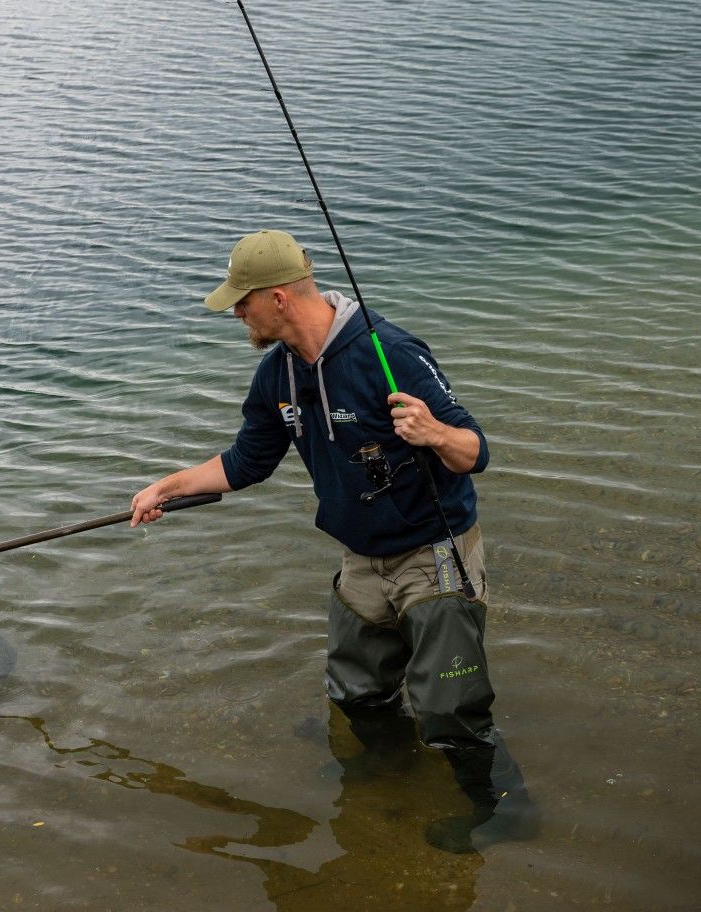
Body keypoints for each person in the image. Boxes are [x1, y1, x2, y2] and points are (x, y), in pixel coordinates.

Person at [130, 230, 538, 854]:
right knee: (358, 693)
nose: (236, 313)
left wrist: (431, 432)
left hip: (432, 550)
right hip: (359, 557)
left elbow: (475, 452)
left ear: (280, 298)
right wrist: (168, 486)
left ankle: (504, 809)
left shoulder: (390, 352)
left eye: (243, 302)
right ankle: (390, 775)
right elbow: (245, 463)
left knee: (450, 706)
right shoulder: (278, 377)